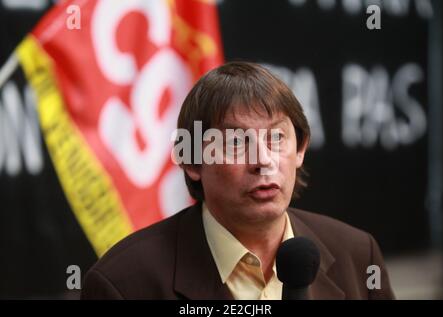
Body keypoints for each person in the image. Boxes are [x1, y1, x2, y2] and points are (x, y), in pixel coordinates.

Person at [81, 61, 395, 300]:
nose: (263, 160)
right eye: (235, 142)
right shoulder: (123, 283)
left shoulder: (357, 253)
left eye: (276, 137)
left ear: (300, 149)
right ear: (192, 162)